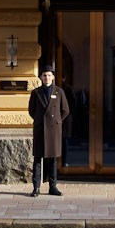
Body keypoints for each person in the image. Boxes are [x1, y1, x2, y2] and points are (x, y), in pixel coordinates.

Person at [28, 65, 70, 196]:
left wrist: (57, 121)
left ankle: (53, 187)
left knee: (52, 160)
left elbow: (65, 110)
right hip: (40, 129)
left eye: (49, 75)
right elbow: (31, 110)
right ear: (41, 77)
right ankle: (36, 188)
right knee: (37, 159)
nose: (47, 77)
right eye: (44, 75)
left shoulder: (59, 91)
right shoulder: (36, 92)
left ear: (53, 77)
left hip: (53, 130)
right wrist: (40, 120)